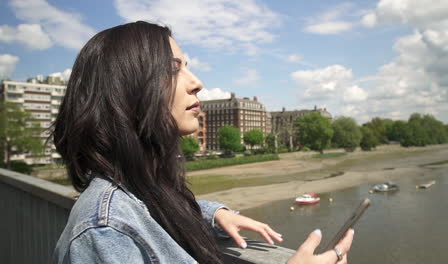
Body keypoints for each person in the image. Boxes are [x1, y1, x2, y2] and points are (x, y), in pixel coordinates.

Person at [51, 21, 354, 264]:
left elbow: (149, 212)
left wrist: (211, 215)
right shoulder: (104, 231)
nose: (197, 82)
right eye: (173, 69)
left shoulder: (137, 189)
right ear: (127, 90)